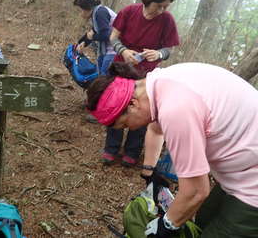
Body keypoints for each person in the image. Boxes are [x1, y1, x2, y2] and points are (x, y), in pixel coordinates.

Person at [86, 61, 258, 237]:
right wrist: (150, 171)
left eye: (124, 124)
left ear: (132, 104)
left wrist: (167, 225)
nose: (130, 128)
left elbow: (197, 191)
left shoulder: (176, 110)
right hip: (238, 171)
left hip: (252, 183)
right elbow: (155, 128)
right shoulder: (158, 82)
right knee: (204, 221)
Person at [103, 0, 179, 166]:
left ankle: (132, 151)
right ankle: (111, 148)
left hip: (147, 76)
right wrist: (124, 51)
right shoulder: (129, 11)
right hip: (122, 69)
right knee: (117, 107)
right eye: (159, 6)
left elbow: (169, 48)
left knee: (142, 112)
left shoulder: (167, 20)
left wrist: (159, 53)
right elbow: (113, 36)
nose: (162, 10)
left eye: (166, 7)